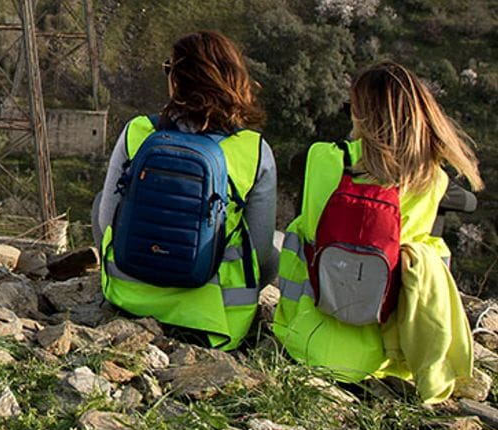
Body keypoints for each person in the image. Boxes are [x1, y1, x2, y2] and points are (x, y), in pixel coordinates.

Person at [273, 61, 483, 401]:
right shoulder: (431, 180)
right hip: (385, 364)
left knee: (301, 232)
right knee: (426, 248)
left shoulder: (322, 159)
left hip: (305, 345)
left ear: (361, 113)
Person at [93, 30, 277, 350]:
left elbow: (109, 222)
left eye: (170, 69)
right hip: (216, 322)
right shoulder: (255, 150)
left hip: (129, 300)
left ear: (177, 81)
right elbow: (259, 253)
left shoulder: (138, 131)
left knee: (100, 202)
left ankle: (136, 287)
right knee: (274, 244)